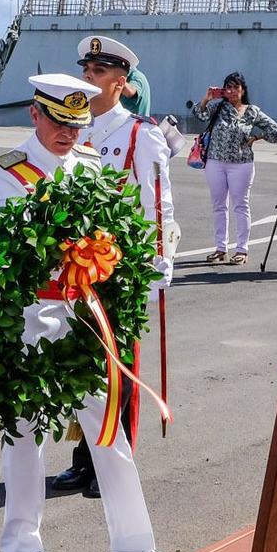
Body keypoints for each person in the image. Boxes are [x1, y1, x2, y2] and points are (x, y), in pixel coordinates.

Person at [0, 73, 174, 552]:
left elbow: (114, 226)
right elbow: (20, 250)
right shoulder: (7, 173)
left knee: (109, 431)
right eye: (58, 122)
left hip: (87, 315)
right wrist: (79, 248)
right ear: (35, 115)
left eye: (77, 124)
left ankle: (133, 543)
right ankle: (20, 541)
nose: (68, 134)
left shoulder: (89, 164)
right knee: (25, 436)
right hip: (33, 317)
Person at [51, 35, 178, 498]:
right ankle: (84, 459)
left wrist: (157, 264)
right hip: (73, 270)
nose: (89, 77)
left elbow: (157, 204)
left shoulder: (139, 133)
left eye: (99, 72)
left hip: (119, 269)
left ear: (121, 82)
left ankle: (115, 461)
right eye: (86, 69)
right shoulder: (74, 128)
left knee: (116, 368)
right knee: (80, 366)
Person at [193, 73, 277, 265]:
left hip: (241, 163)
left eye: (235, 87)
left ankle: (242, 249)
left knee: (240, 205)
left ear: (243, 89)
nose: (231, 91)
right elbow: (199, 115)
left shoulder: (252, 111)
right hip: (215, 161)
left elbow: (274, 130)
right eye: (228, 88)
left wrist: (256, 136)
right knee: (218, 205)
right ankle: (220, 248)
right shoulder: (218, 107)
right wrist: (207, 98)